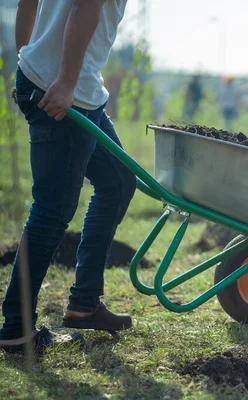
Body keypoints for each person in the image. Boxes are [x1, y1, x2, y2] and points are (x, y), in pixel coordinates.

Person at [0, 0, 136, 353]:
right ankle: (16, 328)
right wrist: (63, 81)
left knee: (118, 181)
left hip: (67, 86)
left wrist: (27, 61)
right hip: (66, 91)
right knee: (53, 207)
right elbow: (86, 5)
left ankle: (84, 303)